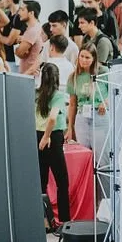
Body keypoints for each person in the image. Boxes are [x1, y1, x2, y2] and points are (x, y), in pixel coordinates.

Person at [34, 64, 71, 227]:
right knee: (62, 181)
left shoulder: (36, 93)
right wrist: (47, 136)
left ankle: (43, 220)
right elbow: (53, 118)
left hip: (38, 135)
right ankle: (64, 220)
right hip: (52, 137)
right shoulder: (58, 95)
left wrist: (41, 137)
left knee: (41, 181)